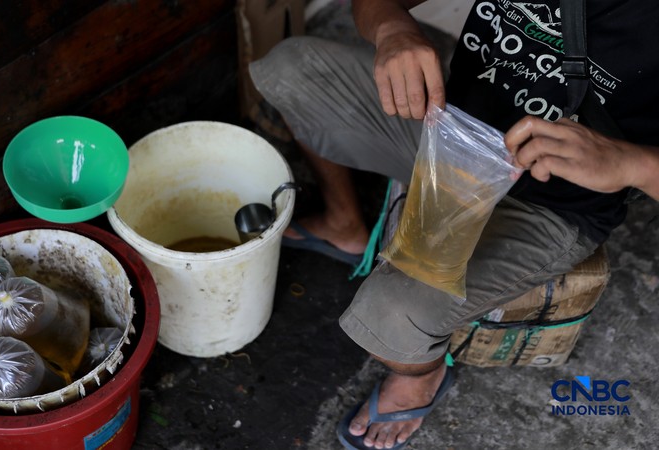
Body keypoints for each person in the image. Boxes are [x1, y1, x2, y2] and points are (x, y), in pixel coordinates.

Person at [249, 0, 659, 448]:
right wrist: (392, 30)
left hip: (554, 201)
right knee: (293, 70)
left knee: (392, 314)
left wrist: (633, 165)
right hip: (449, 132)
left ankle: (422, 376)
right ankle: (344, 223)